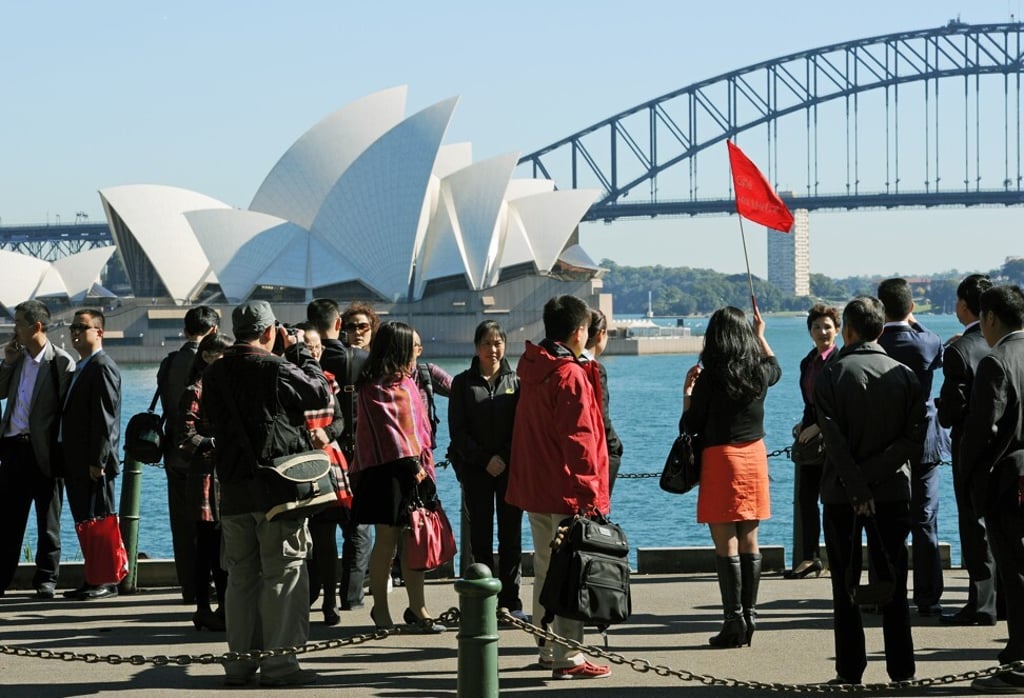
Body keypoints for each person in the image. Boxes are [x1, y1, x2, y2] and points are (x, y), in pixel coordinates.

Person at [201, 301, 330, 687]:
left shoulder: (215, 371)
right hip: (277, 490)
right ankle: (280, 666)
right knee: (284, 573)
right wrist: (302, 352)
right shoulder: (277, 367)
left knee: (240, 577)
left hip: (234, 488)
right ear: (270, 331)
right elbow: (319, 395)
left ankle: (240, 664)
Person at [815, 296, 924, 685]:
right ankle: (902, 670)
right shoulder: (905, 375)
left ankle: (849, 671)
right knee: (894, 580)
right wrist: (875, 478)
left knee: (844, 583)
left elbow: (833, 438)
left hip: (842, 494)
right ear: (880, 330)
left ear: (848, 329)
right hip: (893, 490)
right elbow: (913, 440)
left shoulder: (830, 375)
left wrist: (858, 486)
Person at [507, 294, 611, 679]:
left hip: (537, 486)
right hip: (567, 488)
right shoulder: (569, 374)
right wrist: (590, 494)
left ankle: (547, 645)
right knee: (571, 572)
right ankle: (569, 656)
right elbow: (580, 439)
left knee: (545, 567)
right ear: (579, 331)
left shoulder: (533, 366)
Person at [681, 305, 780, 648]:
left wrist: (687, 397)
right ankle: (750, 616)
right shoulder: (758, 373)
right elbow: (775, 368)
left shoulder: (710, 377)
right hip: (754, 457)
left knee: (726, 544)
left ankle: (733, 619)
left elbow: (691, 427)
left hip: (721, 459)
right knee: (750, 540)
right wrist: (761, 336)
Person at [351, 321, 445, 634]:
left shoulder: (406, 383)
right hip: (385, 474)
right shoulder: (372, 387)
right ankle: (382, 609)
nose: (416, 352)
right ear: (398, 348)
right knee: (387, 542)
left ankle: (418, 608)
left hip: (415, 471)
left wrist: (421, 467)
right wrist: (413, 465)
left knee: (413, 539)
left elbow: (418, 431)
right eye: (411, 346)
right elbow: (387, 436)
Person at [961, 285, 1024, 694]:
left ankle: (1018, 655)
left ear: (990, 318)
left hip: (1009, 480)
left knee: (1014, 571)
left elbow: (981, 431)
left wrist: (969, 483)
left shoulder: (995, 362)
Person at [448, 320, 526, 620]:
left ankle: (511, 601)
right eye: (486, 344)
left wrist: (503, 458)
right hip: (476, 471)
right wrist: (483, 460)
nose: (493, 350)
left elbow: (522, 427)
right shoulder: (463, 383)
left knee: (511, 537)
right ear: (476, 347)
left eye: (498, 343)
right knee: (479, 537)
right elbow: (458, 431)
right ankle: (483, 599)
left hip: (508, 470)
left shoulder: (516, 382)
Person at [876, 278, 945, 616]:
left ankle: (885, 589)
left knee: (884, 518)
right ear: (911, 307)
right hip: (925, 439)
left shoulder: (875, 345)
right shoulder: (927, 342)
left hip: (884, 441)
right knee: (924, 518)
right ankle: (928, 595)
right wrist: (916, 322)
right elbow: (932, 341)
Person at [0, 300, 75, 598]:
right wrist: (6, 361)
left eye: (18, 323)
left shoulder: (60, 363)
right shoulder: (17, 358)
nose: (13, 329)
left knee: (48, 520)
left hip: (44, 452)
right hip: (13, 450)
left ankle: (46, 579)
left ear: (37, 326)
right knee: (7, 520)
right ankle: (2, 578)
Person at [937, 274, 999, 627]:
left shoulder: (960, 349)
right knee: (1004, 524)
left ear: (963, 305)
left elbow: (950, 412)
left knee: (973, 524)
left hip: (970, 449)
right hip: (1008, 448)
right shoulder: (1006, 344)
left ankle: (981, 602)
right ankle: (1005, 599)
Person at [306, 298, 371, 612]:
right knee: (358, 527)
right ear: (339, 324)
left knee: (319, 529)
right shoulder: (361, 359)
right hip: (352, 454)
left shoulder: (295, 362)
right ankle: (351, 595)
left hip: (309, 457)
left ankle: (314, 591)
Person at [59, 309, 123, 600]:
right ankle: (93, 577)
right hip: (76, 461)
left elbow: (105, 419)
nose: (75, 332)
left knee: (99, 520)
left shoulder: (102, 366)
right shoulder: (82, 366)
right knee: (86, 520)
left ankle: (106, 581)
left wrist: (98, 461)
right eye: (73, 327)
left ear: (99, 332)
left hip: (92, 463)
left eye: (82, 327)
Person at [157, 305, 219, 604]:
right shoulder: (215, 362)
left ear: (185, 330)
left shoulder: (170, 362)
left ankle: (190, 588)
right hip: (208, 460)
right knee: (212, 524)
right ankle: (216, 584)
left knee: (182, 526)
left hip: (175, 454)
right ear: (215, 330)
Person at [295, 321, 351, 626]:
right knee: (301, 539)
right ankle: (305, 596)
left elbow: (341, 420)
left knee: (326, 537)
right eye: (307, 347)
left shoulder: (329, 381)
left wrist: (328, 433)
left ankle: (331, 600)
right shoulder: (285, 379)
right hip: (296, 465)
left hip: (328, 462)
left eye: (317, 347)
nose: (313, 352)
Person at [177, 332, 232, 631]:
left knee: (224, 544)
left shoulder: (227, 388)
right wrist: (216, 442)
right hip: (206, 476)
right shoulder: (195, 390)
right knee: (207, 545)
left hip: (225, 474)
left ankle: (224, 605)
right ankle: (203, 607)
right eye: (220, 355)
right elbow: (185, 437)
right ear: (208, 356)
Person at [786, 304, 840, 579]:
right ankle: (810, 558)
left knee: (832, 500)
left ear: (838, 330)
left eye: (827, 327)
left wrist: (819, 425)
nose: (822, 332)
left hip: (835, 441)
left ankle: (836, 556)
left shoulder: (841, 361)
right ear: (810, 331)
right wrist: (805, 422)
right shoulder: (807, 362)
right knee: (805, 499)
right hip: (811, 441)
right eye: (817, 327)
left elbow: (842, 403)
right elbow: (812, 401)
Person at [584, 309, 624, 495]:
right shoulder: (595, 369)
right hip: (592, 446)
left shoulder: (564, 364)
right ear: (601, 334)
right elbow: (602, 414)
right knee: (614, 452)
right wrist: (614, 444)